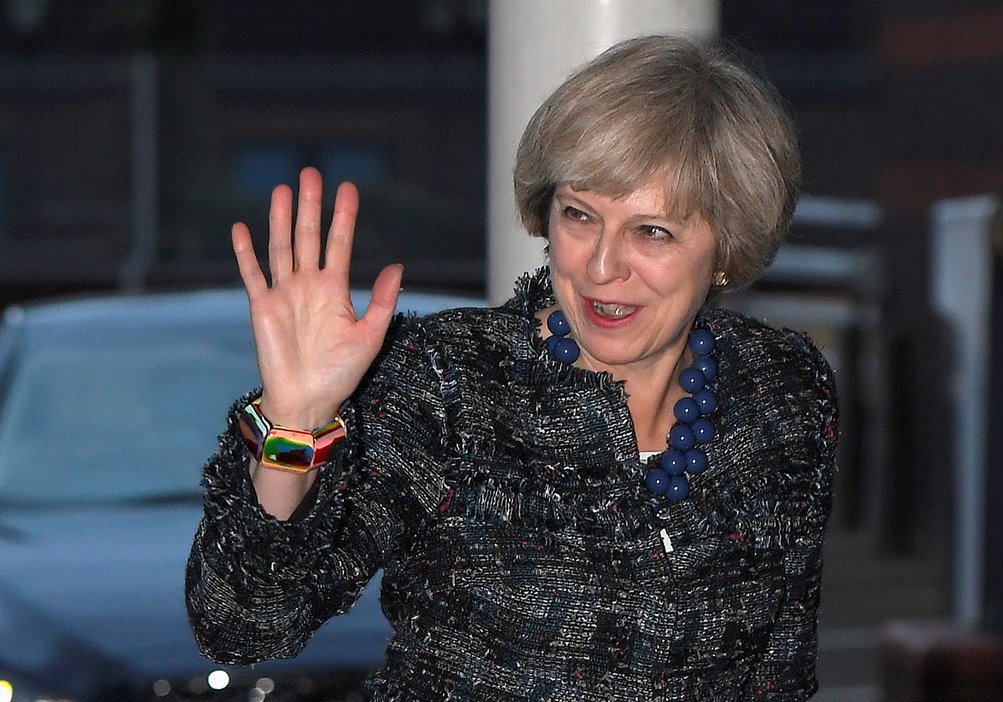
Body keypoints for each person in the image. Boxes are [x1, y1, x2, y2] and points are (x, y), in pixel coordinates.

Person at [186, 34, 838, 701]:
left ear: (726, 249)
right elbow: (243, 627)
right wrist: (292, 425)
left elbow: (780, 674)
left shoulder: (781, 392)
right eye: (579, 215)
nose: (601, 266)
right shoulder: (448, 383)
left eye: (652, 232)